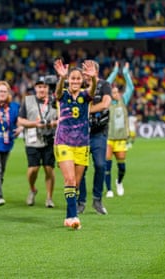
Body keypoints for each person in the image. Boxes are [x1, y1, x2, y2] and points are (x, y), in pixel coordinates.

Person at [53, 59, 97, 229]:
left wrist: (93, 79)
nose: (76, 81)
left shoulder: (86, 96)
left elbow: (92, 90)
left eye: (78, 79)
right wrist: (61, 79)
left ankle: (68, 215)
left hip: (82, 143)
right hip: (63, 141)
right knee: (69, 178)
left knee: (76, 184)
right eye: (73, 78)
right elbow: (57, 93)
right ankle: (73, 216)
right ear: (68, 80)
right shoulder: (62, 94)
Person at [77, 60, 112, 215]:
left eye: (88, 71)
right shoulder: (78, 86)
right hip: (81, 134)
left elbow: (105, 104)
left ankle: (97, 199)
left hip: (98, 133)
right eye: (83, 72)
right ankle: (81, 201)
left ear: (96, 72)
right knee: (81, 169)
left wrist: (85, 110)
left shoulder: (104, 85)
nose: (84, 75)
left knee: (100, 165)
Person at [17, 76, 58, 208]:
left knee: (49, 169)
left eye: (44, 87)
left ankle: (49, 198)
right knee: (33, 169)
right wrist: (35, 123)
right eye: (39, 86)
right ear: (35, 88)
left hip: (50, 139)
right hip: (33, 139)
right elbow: (20, 121)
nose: (42, 89)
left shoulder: (55, 101)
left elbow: (62, 119)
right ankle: (32, 189)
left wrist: (52, 124)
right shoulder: (28, 100)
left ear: (48, 88)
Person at [104, 62, 134, 197]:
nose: (116, 94)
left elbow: (131, 88)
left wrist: (126, 72)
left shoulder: (124, 100)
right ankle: (109, 189)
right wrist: (115, 70)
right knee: (107, 164)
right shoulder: (107, 103)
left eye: (117, 92)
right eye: (113, 92)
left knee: (122, 166)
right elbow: (106, 84)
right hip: (109, 138)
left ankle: (119, 182)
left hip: (121, 138)